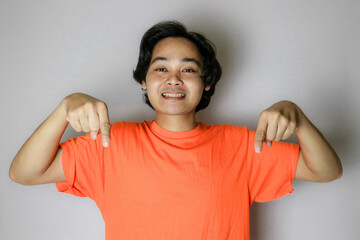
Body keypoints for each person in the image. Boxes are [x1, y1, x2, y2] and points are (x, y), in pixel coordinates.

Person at [9, 21, 342, 240]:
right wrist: (65, 107)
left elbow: (327, 170)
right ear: (144, 79)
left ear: (207, 84)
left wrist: (297, 116)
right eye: (161, 67)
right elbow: (23, 173)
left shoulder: (242, 145)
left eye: (189, 69)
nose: (173, 78)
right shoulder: (109, 142)